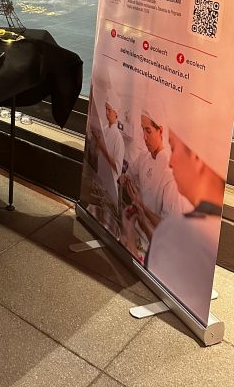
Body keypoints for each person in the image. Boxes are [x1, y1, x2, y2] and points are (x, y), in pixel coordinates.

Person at [144, 121, 226, 323]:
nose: (170, 162)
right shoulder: (205, 223)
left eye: (173, 148)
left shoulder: (181, 228)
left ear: (196, 158)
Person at [120, 103, 189, 258]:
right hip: (136, 230)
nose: (144, 137)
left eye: (148, 131)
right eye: (142, 129)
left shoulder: (170, 173)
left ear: (161, 131)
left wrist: (142, 207)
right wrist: (125, 180)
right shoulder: (144, 157)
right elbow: (128, 177)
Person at [91, 90, 125, 178]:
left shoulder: (118, 138)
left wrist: (101, 146)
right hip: (99, 175)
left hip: (109, 180)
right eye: (106, 109)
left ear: (116, 112)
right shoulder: (104, 129)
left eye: (109, 110)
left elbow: (118, 169)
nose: (106, 113)